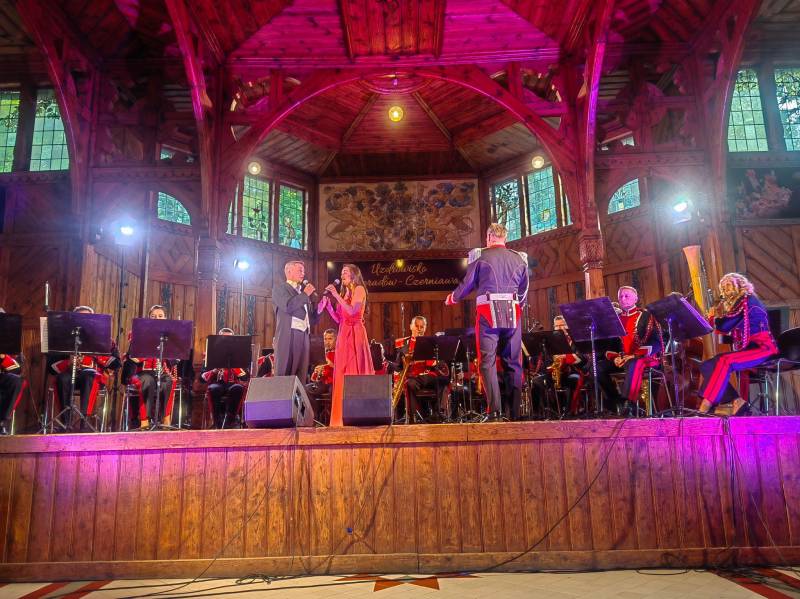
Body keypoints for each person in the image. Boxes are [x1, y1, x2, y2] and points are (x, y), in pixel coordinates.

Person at [445, 223, 529, 421]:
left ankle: (495, 411)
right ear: (505, 238)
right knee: (513, 362)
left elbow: (467, 283)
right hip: (512, 312)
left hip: (488, 312)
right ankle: (514, 413)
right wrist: (518, 306)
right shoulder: (520, 258)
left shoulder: (480, 255)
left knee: (487, 362)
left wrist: (453, 298)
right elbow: (524, 290)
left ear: (489, 237)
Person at [698, 273, 777, 415]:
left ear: (740, 284)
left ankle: (705, 406)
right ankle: (736, 400)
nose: (725, 289)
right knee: (707, 365)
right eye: (723, 287)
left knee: (725, 360)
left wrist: (713, 317)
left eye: (729, 284)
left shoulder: (746, 299)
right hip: (750, 348)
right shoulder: (740, 304)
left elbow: (724, 326)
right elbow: (727, 329)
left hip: (762, 347)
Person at [319, 263, 374, 426]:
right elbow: (340, 319)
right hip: (343, 335)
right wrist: (329, 307)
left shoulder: (359, 289)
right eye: (341, 273)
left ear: (354, 275)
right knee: (342, 374)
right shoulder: (345, 293)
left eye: (345, 272)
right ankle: (341, 418)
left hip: (355, 334)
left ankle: (359, 414)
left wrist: (335, 295)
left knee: (354, 372)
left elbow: (352, 312)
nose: (341, 275)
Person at [596, 286, 662, 415]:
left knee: (634, 363)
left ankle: (628, 404)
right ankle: (616, 401)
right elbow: (609, 345)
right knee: (597, 367)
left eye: (627, 296)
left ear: (636, 299)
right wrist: (615, 357)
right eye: (620, 296)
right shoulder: (615, 319)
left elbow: (657, 342)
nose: (623, 298)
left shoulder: (647, 316)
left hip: (644, 358)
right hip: (621, 358)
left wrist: (634, 355)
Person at [51, 305, 120, 429]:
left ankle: (84, 421)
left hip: (92, 376)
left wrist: (97, 355)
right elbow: (50, 367)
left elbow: (116, 363)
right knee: (61, 379)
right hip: (70, 374)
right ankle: (65, 422)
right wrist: (68, 362)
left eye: (87, 318)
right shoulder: (64, 339)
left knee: (89, 376)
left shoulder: (104, 339)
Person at [123, 304, 175, 429]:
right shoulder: (138, 332)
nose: (157, 318)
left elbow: (175, 358)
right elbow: (133, 356)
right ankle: (144, 420)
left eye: (160, 316)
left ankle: (166, 419)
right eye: (153, 316)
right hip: (140, 373)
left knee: (169, 381)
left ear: (165, 318)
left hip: (160, 372)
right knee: (147, 380)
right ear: (148, 318)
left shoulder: (169, 336)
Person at [393, 316, 450, 423]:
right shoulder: (403, 344)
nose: (419, 329)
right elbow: (398, 366)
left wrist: (435, 362)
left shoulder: (432, 343)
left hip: (429, 376)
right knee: (409, 384)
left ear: (425, 328)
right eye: (417, 326)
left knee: (443, 381)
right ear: (411, 327)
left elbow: (440, 363)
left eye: (422, 327)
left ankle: (439, 413)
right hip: (413, 377)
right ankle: (415, 416)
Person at [532, 315, 587, 417]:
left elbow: (583, 358)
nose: (560, 328)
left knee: (574, 380)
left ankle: (569, 412)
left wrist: (566, 358)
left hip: (572, 372)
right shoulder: (550, 343)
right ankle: (540, 413)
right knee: (536, 381)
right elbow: (546, 362)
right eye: (557, 326)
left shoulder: (576, 340)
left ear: (567, 326)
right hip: (555, 373)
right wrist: (553, 366)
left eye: (562, 325)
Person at [272, 260, 318, 381]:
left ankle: (298, 392)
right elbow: (288, 306)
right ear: (289, 271)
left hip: (304, 335)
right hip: (289, 334)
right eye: (300, 270)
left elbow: (310, 320)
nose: (303, 274)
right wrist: (305, 294)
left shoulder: (302, 292)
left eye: (303, 271)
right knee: (285, 372)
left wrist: (320, 309)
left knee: (301, 373)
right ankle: (282, 393)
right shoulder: (280, 288)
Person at [201, 327, 248, 428]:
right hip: (217, 383)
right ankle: (217, 422)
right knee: (214, 389)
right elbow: (202, 376)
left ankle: (230, 421)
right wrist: (214, 371)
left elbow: (245, 377)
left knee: (238, 388)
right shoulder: (210, 354)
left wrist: (235, 367)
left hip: (233, 383)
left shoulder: (239, 355)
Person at [305, 328, 337, 424]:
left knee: (333, 392)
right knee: (306, 389)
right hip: (323, 383)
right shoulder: (322, 354)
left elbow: (341, 369)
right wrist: (317, 372)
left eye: (330, 339)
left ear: (336, 340)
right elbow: (313, 378)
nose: (327, 342)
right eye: (325, 339)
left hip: (334, 383)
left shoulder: (340, 353)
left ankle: (332, 419)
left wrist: (330, 364)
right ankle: (316, 417)